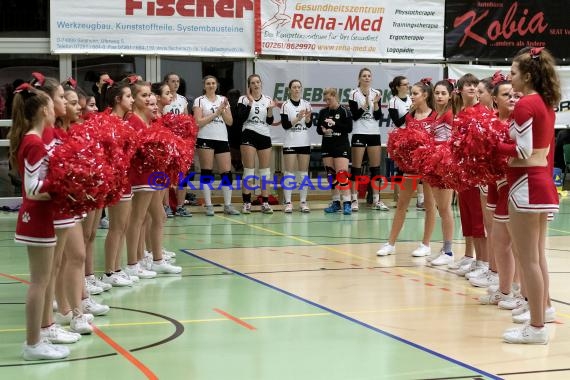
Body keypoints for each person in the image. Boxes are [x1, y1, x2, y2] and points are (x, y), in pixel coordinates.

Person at [498, 47, 560, 344]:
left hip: (526, 186)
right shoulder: (547, 103)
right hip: (540, 183)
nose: (510, 78)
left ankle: (536, 328)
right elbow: (539, 151)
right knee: (536, 256)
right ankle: (543, 311)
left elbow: (523, 151)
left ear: (527, 75)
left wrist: (492, 147)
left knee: (528, 260)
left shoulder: (526, 105)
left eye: (512, 73)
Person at [10, 84, 70, 360]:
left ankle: (40, 337)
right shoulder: (34, 143)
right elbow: (33, 187)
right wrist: (64, 183)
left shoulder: (33, 140)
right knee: (39, 282)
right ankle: (32, 344)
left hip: (41, 217)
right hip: (36, 218)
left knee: (43, 281)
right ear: (46, 110)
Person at [376, 79, 436, 257]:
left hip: (428, 167)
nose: (412, 97)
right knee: (402, 204)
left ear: (425, 95)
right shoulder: (408, 117)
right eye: (411, 94)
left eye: (415, 94)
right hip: (410, 167)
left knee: (429, 205)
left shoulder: (435, 116)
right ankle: (390, 243)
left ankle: (425, 244)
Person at [193, 75, 239, 216]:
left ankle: (228, 205)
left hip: (221, 139)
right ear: (204, 86)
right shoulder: (199, 101)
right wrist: (216, 113)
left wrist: (223, 111)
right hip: (205, 138)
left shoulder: (223, 100)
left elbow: (230, 122)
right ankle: (208, 205)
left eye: (213, 83)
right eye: (208, 83)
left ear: (217, 85)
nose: (211, 85)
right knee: (207, 171)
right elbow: (198, 122)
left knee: (226, 172)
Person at [348, 68, 389, 212]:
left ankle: (377, 200)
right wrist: (365, 105)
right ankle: (354, 200)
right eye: (364, 76)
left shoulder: (376, 93)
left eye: (369, 76)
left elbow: (378, 117)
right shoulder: (354, 93)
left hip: (373, 133)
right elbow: (354, 116)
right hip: (359, 132)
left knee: (375, 168)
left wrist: (376, 105)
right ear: (359, 79)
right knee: (356, 168)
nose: (367, 78)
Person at [237, 75, 275, 214]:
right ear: (249, 86)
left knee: (265, 171)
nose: (256, 85)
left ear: (261, 84)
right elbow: (240, 118)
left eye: (258, 82)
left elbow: (270, 121)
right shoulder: (243, 99)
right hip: (249, 133)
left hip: (264, 135)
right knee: (249, 170)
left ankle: (265, 202)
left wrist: (270, 109)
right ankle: (247, 202)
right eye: (253, 83)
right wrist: (250, 103)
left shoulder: (267, 99)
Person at [318, 88, 353, 215]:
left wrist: (334, 124)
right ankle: (336, 202)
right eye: (325, 100)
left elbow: (349, 128)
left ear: (335, 97)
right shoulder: (323, 112)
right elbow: (318, 129)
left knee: (342, 174)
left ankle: (348, 203)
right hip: (327, 146)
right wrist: (323, 130)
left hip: (341, 146)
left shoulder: (344, 111)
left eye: (329, 99)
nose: (327, 102)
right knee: (331, 175)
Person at [279, 79, 313, 213]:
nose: (297, 89)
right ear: (290, 89)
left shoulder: (306, 104)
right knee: (289, 172)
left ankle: (303, 202)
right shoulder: (285, 105)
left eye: (299, 87)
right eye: (294, 87)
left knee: (303, 173)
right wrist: (298, 118)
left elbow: (309, 125)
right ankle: (288, 202)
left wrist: (308, 119)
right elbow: (285, 125)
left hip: (304, 142)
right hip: (291, 142)